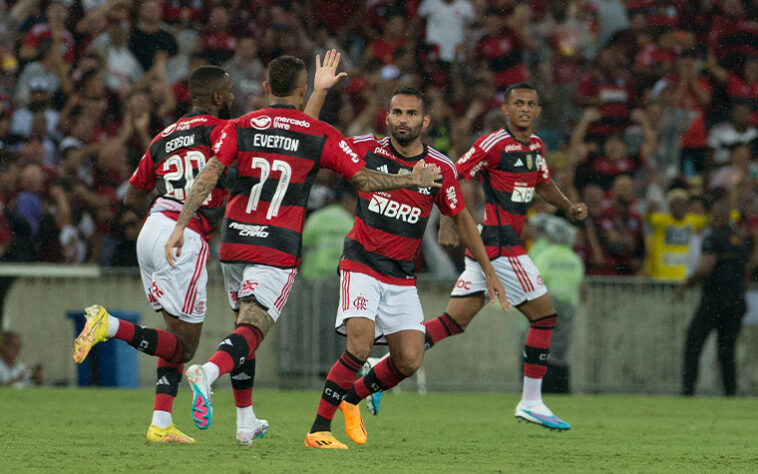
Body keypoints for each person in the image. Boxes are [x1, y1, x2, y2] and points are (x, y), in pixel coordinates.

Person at [163, 51, 442, 442]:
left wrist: (180, 224)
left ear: (264, 88)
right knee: (253, 329)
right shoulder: (318, 135)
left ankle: (245, 423)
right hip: (275, 246)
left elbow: (210, 173)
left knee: (243, 329)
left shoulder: (240, 125)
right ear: (300, 89)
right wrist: (410, 181)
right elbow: (361, 180)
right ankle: (207, 373)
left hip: (234, 242)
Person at [301, 84, 508, 449]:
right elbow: (309, 136)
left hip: (400, 275)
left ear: (425, 121)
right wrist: (319, 91)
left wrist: (489, 271)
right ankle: (319, 429)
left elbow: (460, 217)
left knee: (410, 359)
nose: (402, 120)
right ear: (387, 116)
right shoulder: (366, 148)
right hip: (360, 263)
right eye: (397, 112)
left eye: (411, 114)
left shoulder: (441, 167)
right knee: (359, 347)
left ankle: (352, 399)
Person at [372, 83, 588, 430]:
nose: (525, 109)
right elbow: (452, 173)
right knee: (545, 318)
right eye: (518, 103)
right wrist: (447, 219)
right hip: (500, 246)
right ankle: (531, 401)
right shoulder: (493, 144)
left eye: (531, 104)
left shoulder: (536, 147)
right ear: (506, 109)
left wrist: (569, 207)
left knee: (452, 323)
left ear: (537, 111)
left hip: (497, 246)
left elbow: (543, 184)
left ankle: (378, 368)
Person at [71, 66, 234, 445]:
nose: (231, 98)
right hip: (184, 236)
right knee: (187, 347)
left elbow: (130, 197)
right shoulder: (222, 131)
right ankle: (109, 326)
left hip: (152, 228)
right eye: (228, 93)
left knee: (172, 336)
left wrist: (161, 210)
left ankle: (161, 422)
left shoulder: (163, 136)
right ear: (217, 98)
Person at [678, 198, 752, 396]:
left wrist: (686, 285)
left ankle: (688, 390)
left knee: (694, 343)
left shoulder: (712, 239)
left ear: (715, 216)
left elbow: (705, 267)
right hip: (736, 301)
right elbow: (746, 273)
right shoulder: (740, 241)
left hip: (714, 301)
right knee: (727, 350)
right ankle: (730, 392)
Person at [530, 216, 584, 394]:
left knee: (544, 345)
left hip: (547, 304)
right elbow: (579, 283)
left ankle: (545, 386)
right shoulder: (574, 258)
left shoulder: (545, 256)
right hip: (568, 306)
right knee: (562, 348)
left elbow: (537, 281)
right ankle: (562, 386)